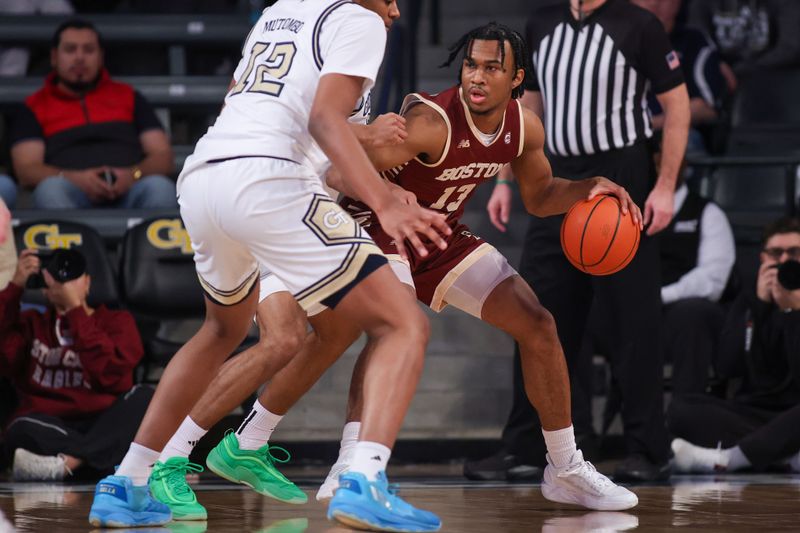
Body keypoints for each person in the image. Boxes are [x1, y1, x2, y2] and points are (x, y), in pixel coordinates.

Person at [153, 22, 641, 521]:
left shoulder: (525, 126)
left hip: (437, 232)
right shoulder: (430, 122)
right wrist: (388, 196)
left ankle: (565, 467)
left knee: (538, 324)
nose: (477, 76)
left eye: (492, 68)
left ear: (517, 78)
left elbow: (538, 198)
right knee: (383, 327)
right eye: (471, 64)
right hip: (376, 221)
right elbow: (337, 171)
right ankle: (348, 467)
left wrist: (586, 188)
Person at [88, 0, 451, 530]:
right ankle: (363, 480)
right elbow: (324, 121)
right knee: (401, 323)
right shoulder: (359, 20)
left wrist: (380, 186)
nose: (395, 10)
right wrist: (385, 199)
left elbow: (277, 118)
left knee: (222, 330)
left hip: (205, 178)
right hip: (270, 183)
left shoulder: (282, 9)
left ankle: (127, 481)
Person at [468, 0, 690, 483]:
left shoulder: (639, 25)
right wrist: (506, 179)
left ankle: (647, 450)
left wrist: (666, 186)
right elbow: (527, 109)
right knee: (535, 317)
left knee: (634, 323)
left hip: (621, 178)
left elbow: (677, 104)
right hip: (557, 180)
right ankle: (528, 447)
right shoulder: (541, 22)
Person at [0, 248, 151, 481]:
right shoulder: (32, 323)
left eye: (73, 276)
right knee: (18, 427)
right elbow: (5, 359)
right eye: (59, 277)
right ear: (44, 286)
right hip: (51, 424)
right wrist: (15, 287)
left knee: (144, 397)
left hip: (104, 420)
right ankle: (106, 461)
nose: (65, 282)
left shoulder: (117, 322)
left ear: (88, 283)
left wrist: (75, 312)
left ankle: (70, 464)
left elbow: (108, 377)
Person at [669, 217, 800, 474]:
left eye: (794, 252)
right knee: (681, 409)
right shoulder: (750, 298)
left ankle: (730, 459)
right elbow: (727, 365)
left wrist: (793, 311)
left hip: (796, 412)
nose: (784, 260)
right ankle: (786, 456)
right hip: (752, 413)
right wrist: (759, 308)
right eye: (776, 253)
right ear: (763, 259)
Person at [8, 19, 177, 209]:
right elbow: (26, 170)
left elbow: (163, 155)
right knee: (50, 190)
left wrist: (132, 174)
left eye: (88, 50)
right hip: (70, 192)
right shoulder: (35, 105)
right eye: (71, 49)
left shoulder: (128, 96)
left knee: (160, 187)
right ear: (54, 57)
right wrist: (74, 179)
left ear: (101, 57)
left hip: (130, 190)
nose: (80, 57)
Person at [632, 0, 729, 153]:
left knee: (684, 140)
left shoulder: (693, 41)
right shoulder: (612, 41)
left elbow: (705, 107)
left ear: (677, 3)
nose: (655, 4)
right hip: (620, 138)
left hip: (672, 133)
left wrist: (648, 125)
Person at [689, 0, 800, 76]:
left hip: (774, 75)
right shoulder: (702, 4)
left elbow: (792, 47)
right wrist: (716, 66)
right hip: (721, 78)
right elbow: (697, 44)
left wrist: (743, 69)